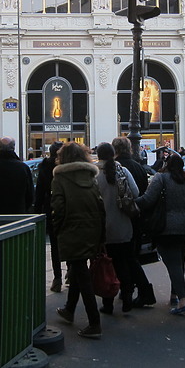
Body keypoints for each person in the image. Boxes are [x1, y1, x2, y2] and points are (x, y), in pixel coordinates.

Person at [136, 153, 185, 316]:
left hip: (167, 227)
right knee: (179, 263)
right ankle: (174, 296)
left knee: (173, 264)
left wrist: (132, 202)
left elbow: (148, 199)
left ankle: (182, 300)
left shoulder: (161, 178)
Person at [51, 142, 105, 339]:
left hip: (72, 229)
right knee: (78, 268)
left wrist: (58, 230)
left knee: (82, 275)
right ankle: (69, 309)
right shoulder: (91, 177)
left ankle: (94, 322)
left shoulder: (60, 178)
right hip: (92, 228)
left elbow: (58, 207)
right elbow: (100, 206)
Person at [95, 142, 140, 314]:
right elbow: (135, 193)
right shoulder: (123, 171)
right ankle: (127, 298)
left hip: (103, 229)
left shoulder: (94, 174)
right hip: (123, 225)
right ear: (112, 154)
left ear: (98, 155)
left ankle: (107, 303)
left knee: (107, 266)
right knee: (124, 263)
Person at [112, 136, 156, 307]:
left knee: (124, 257)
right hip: (137, 217)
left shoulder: (117, 168)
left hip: (122, 217)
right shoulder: (138, 167)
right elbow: (144, 192)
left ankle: (134, 289)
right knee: (131, 255)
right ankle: (132, 289)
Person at [35, 141, 64, 292]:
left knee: (54, 244)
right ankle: (71, 272)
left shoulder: (45, 166)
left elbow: (39, 190)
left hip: (51, 207)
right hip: (68, 208)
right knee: (69, 241)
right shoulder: (67, 167)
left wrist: (37, 210)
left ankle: (57, 277)